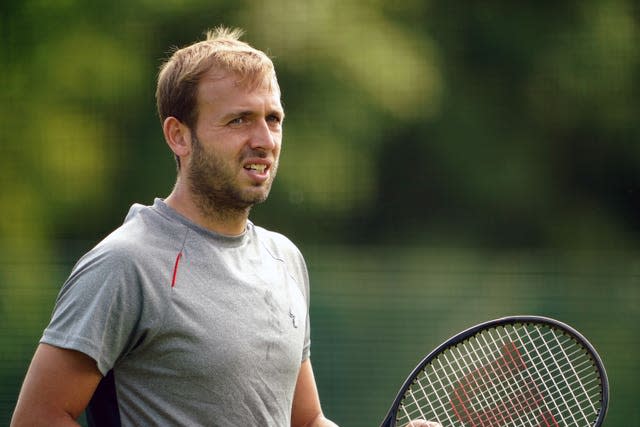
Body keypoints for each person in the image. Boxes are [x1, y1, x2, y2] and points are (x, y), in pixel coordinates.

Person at [11, 27, 339, 427]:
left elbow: (306, 420)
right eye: (239, 120)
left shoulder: (284, 258)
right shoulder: (125, 264)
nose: (265, 139)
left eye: (273, 118)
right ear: (178, 136)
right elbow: (38, 418)